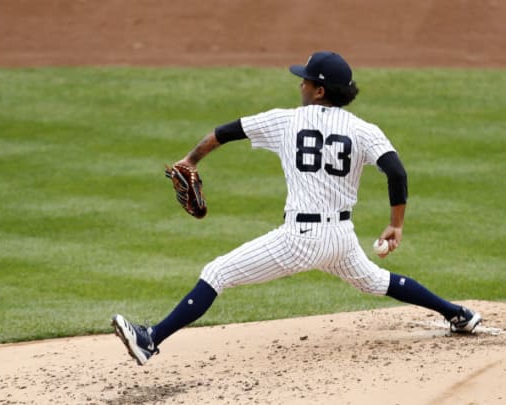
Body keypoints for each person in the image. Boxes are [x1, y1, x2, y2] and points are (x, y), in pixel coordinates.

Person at [112, 51, 482, 365]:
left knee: (218, 272)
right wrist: (395, 225)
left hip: (302, 238)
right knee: (376, 281)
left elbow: (225, 131)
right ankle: (459, 314)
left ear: (319, 90)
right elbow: (396, 171)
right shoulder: (364, 129)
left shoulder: (286, 120)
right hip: (340, 237)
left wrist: (190, 159)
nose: (300, 85)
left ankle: (150, 339)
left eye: (305, 81)